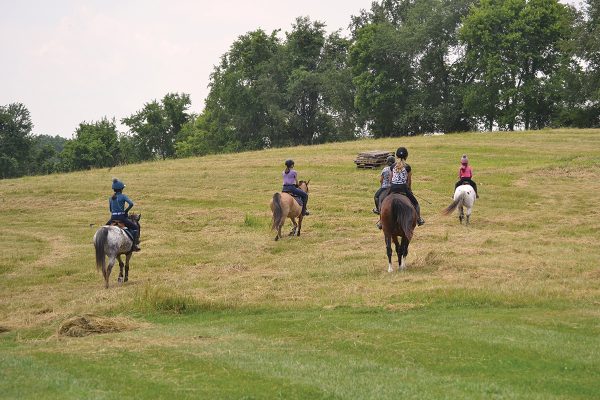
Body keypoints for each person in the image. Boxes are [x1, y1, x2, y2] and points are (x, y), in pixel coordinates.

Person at [378, 147, 425, 228]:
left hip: (393, 187)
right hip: (403, 188)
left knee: (383, 202)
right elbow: (409, 181)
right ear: (406, 156)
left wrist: (391, 187)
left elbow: (390, 179)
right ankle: (419, 219)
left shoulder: (392, 166)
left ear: (396, 156)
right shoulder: (407, 167)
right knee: (416, 203)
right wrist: (409, 190)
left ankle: (381, 221)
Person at [106, 178, 141, 251]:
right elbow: (131, 204)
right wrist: (126, 211)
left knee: (104, 229)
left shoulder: (110, 198)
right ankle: (134, 245)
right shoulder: (123, 196)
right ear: (121, 189)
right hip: (121, 218)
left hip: (112, 218)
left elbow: (110, 210)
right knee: (135, 228)